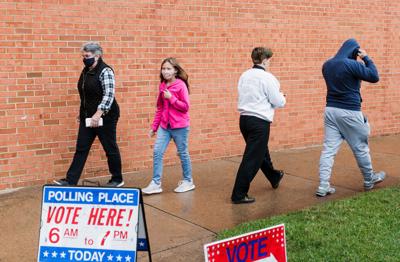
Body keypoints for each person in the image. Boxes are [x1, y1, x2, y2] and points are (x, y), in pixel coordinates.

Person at [316, 38, 385, 197]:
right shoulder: (353, 64)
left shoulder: (327, 65)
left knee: (328, 150)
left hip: (331, 110)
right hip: (350, 111)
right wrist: (366, 57)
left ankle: (323, 185)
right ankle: (369, 179)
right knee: (360, 147)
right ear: (355, 52)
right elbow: (374, 76)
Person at [54, 42, 124, 187]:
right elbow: (85, 94)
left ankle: (117, 179)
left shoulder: (106, 71)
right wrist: (83, 112)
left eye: (87, 56)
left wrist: (98, 114)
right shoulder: (86, 71)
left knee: (109, 147)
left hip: (106, 116)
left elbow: (109, 95)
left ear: (97, 56)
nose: (84, 58)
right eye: (83, 56)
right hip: (88, 116)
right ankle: (70, 180)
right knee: (81, 147)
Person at [231, 47, 286, 204]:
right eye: (269, 60)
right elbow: (278, 101)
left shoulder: (244, 75)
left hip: (244, 120)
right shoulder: (268, 78)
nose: (270, 63)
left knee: (260, 152)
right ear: (264, 60)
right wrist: (283, 96)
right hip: (259, 122)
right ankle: (239, 194)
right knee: (252, 159)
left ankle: (274, 176)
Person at [142, 58, 195, 194]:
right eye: (163, 68)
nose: (165, 71)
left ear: (175, 70)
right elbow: (159, 108)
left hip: (180, 127)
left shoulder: (181, 85)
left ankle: (188, 181)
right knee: (157, 152)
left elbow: (185, 107)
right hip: (165, 127)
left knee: (183, 153)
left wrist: (171, 98)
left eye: (169, 69)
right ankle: (156, 183)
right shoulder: (162, 85)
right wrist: (154, 127)